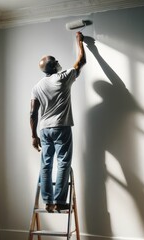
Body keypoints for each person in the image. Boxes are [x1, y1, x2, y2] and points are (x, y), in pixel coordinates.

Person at [30, 32, 86, 212]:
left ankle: (47, 201)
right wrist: (79, 42)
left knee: (46, 164)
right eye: (55, 60)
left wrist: (33, 136)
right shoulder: (63, 77)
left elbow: (32, 112)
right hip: (61, 127)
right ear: (54, 65)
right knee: (63, 162)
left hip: (44, 130)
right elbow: (81, 61)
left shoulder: (37, 87)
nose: (58, 61)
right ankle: (59, 202)